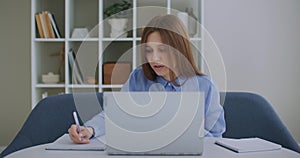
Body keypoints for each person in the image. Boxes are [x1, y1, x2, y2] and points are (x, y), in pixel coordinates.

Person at [68, 14, 226, 144]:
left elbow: (216, 136)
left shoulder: (205, 86)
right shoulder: (138, 78)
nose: (154, 58)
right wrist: (89, 130)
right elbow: (115, 115)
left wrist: (186, 136)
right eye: (149, 50)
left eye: (162, 50)